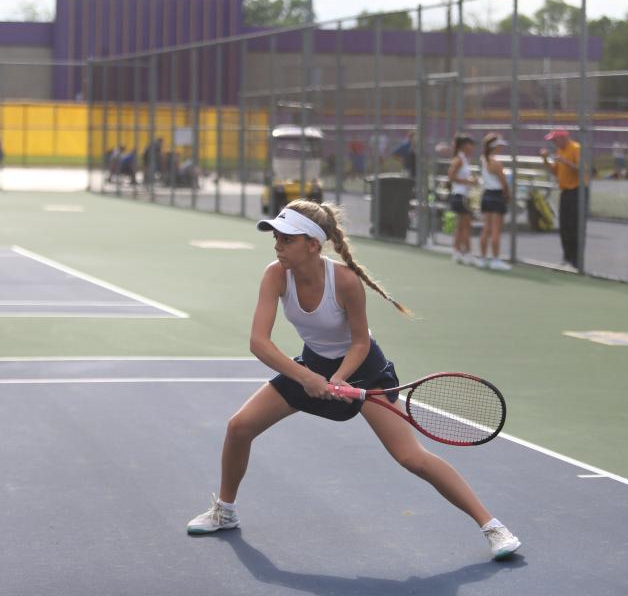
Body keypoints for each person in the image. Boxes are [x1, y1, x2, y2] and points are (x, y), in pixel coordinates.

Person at [185, 199, 522, 561]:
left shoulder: (344, 282)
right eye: (276, 238)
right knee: (239, 427)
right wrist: (309, 377)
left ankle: (493, 527)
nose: (277, 245)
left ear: (313, 244)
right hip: (312, 365)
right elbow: (259, 342)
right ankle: (225, 512)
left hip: (365, 369)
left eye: (287, 239)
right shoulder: (275, 274)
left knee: (411, 457)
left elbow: (361, 341)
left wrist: (341, 378)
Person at [539, 129, 584, 268]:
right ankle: (567, 258)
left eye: (555, 140)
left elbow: (581, 169)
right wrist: (545, 159)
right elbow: (555, 171)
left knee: (574, 226)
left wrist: (565, 161)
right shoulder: (560, 150)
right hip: (565, 191)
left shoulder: (576, 148)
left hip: (577, 191)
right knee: (564, 226)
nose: (553, 143)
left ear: (564, 138)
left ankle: (576, 261)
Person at [447, 133, 482, 266]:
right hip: (460, 197)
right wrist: (469, 181)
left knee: (461, 226)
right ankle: (467, 254)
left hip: (462, 196)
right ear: (464, 145)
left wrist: (470, 181)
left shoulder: (464, 159)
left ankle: (457, 252)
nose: (472, 147)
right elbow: (451, 176)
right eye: (470, 144)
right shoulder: (459, 159)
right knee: (466, 227)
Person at [478, 133, 512, 271]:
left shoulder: (484, 159)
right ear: (494, 147)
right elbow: (504, 183)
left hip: (486, 195)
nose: (500, 148)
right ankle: (495, 260)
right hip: (496, 196)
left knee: (487, 229)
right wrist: (507, 194)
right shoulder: (496, 163)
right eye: (499, 146)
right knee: (496, 230)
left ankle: (483, 258)